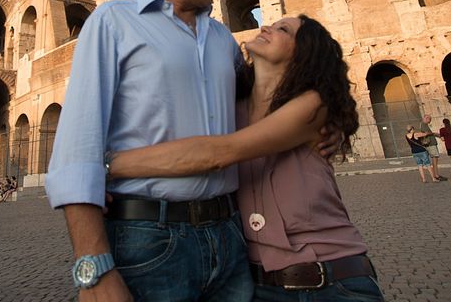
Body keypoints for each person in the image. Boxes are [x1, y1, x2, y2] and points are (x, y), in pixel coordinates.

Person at [45, 0, 340, 302]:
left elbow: (260, 111)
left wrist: (327, 121)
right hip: (147, 236)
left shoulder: (222, 39)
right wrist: (94, 267)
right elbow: (77, 145)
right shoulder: (114, 21)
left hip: (231, 237)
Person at [107, 15, 385, 302]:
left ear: (304, 53)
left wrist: (107, 166)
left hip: (332, 283)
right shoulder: (228, 109)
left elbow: (218, 153)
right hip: (257, 288)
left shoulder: (313, 104)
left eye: (283, 30)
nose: (266, 27)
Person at [418, 115, 447, 181]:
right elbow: (426, 133)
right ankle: (436, 175)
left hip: (431, 144)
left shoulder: (424, 124)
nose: (430, 121)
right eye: (430, 119)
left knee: (435, 159)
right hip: (431, 144)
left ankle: (436, 174)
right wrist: (434, 133)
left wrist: (435, 134)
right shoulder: (423, 124)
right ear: (426, 118)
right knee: (435, 160)